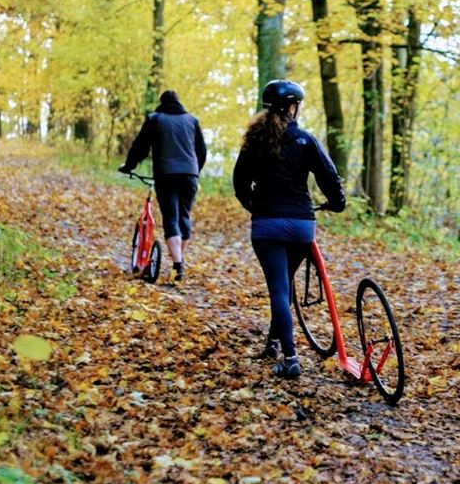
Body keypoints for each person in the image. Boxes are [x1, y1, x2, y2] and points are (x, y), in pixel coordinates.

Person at [233, 80, 345, 380]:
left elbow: (239, 184)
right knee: (283, 285)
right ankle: (273, 343)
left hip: (267, 227)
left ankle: (291, 358)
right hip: (301, 226)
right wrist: (337, 203)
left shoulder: (254, 142)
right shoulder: (305, 141)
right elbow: (329, 177)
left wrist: (256, 207)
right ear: (293, 107)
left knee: (279, 289)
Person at [118, 90, 208, 282]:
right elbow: (201, 151)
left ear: (162, 103)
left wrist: (129, 166)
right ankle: (179, 261)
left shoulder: (155, 119)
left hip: (166, 175)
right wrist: (194, 170)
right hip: (190, 176)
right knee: (184, 216)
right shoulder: (192, 121)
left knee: (171, 218)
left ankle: (177, 264)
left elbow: (140, 147)